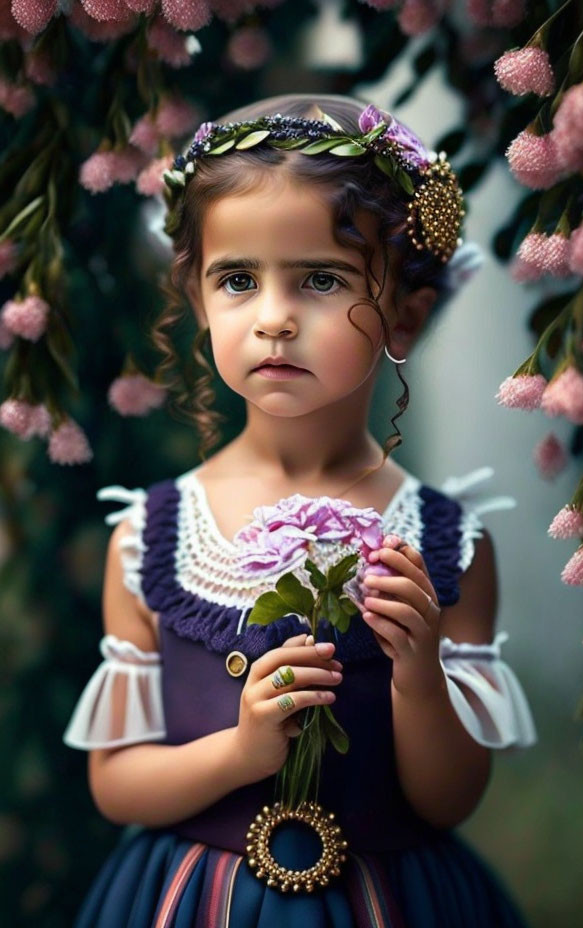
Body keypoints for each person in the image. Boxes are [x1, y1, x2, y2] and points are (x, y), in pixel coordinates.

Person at [62, 92, 537, 927]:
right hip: (194, 901)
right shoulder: (151, 539)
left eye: (322, 279)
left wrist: (420, 676)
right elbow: (115, 783)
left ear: (406, 315)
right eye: (238, 279)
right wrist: (238, 754)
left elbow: (449, 800)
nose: (275, 318)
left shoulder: (447, 544)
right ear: (201, 301)